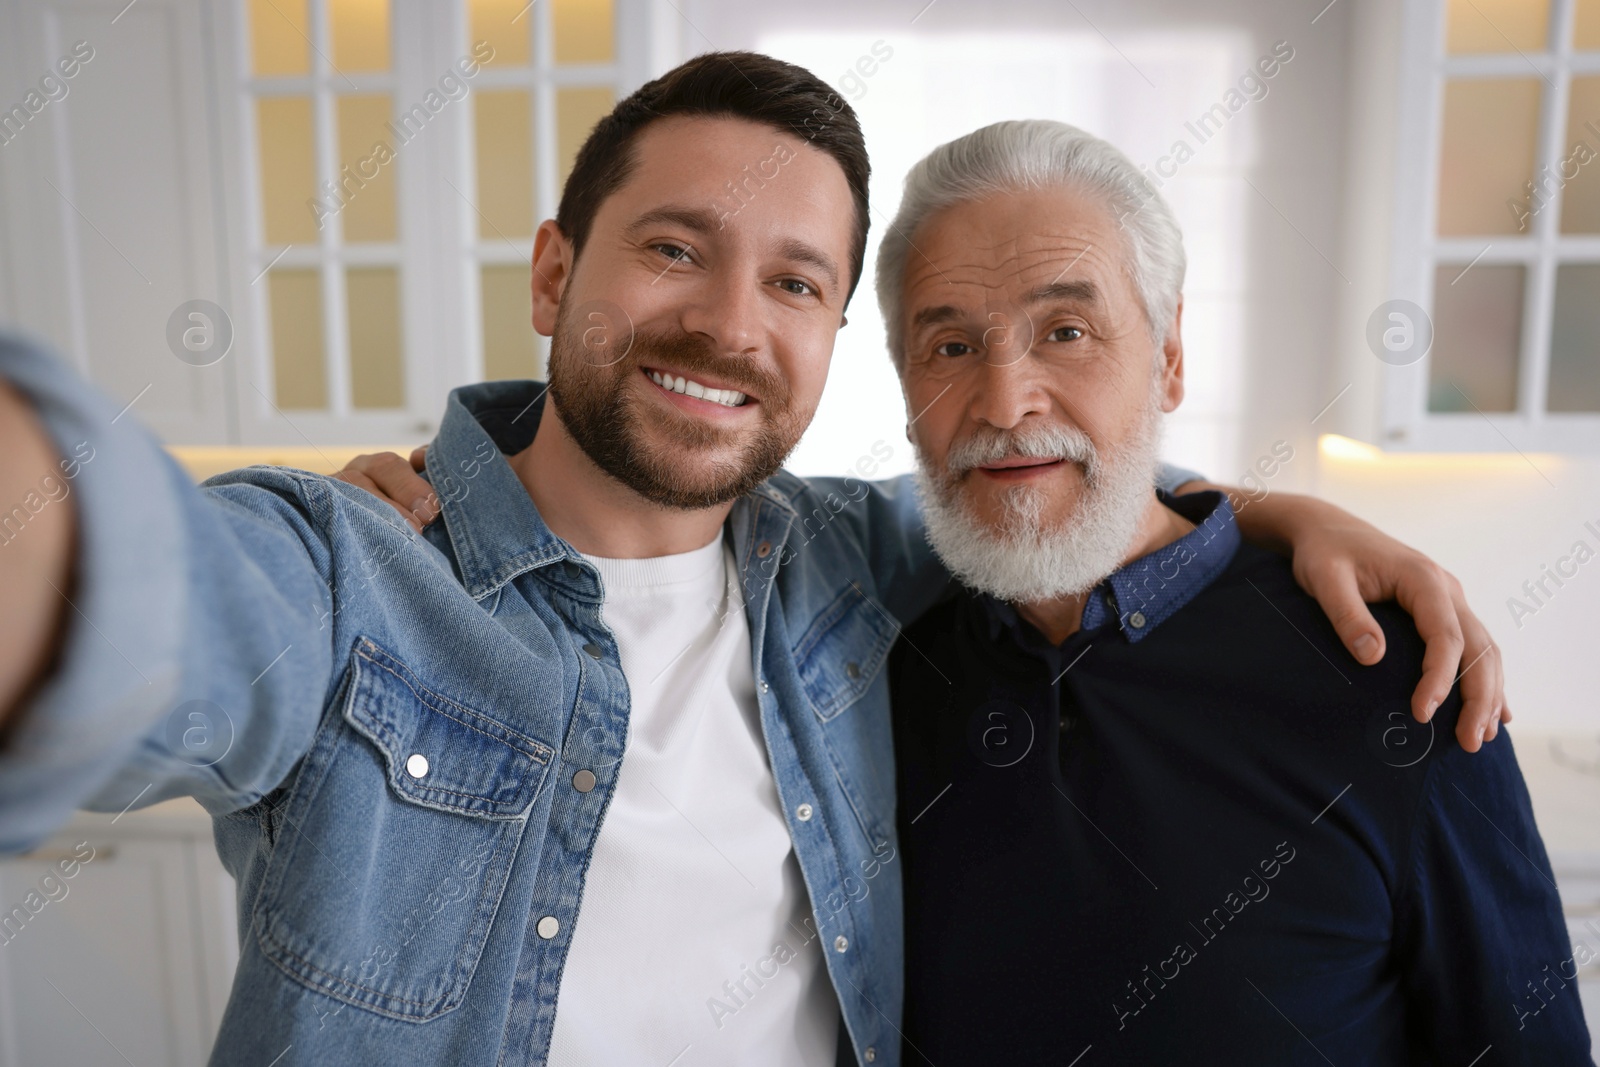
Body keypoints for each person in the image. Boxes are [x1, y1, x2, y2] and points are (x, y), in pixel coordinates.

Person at [0, 52, 1506, 1067]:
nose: (729, 322)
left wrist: (1284, 516)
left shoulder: (854, 559)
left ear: (829, 337)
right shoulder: (355, 570)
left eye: (794, 280)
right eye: (672, 247)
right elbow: (143, 594)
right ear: (552, 271)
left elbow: (1053, 481)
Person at [882, 120, 1588, 1065]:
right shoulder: (873, 675)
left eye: (1067, 331)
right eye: (951, 347)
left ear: (1170, 359)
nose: (1006, 401)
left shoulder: (1399, 680)